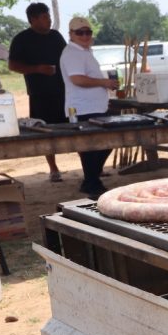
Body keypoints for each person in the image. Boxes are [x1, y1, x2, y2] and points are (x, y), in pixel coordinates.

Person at [58, 17, 118, 199]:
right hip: (83, 108)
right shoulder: (72, 53)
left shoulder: (84, 51)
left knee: (102, 144)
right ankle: (91, 181)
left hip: (93, 106)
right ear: (71, 35)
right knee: (94, 146)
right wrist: (104, 82)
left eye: (88, 32)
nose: (85, 35)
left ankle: (91, 179)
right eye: (80, 32)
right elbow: (77, 79)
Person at [8, 2, 67, 182]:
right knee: (45, 130)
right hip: (39, 93)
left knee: (74, 126)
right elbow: (13, 65)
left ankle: (89, 165)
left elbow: (67, 58)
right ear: (33, 19)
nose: (49, 20)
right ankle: (53, 168)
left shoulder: (56, 36)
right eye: (44, 17)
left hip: (63, 91)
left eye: (49, 16)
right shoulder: (22, 39)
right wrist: (37, 69)